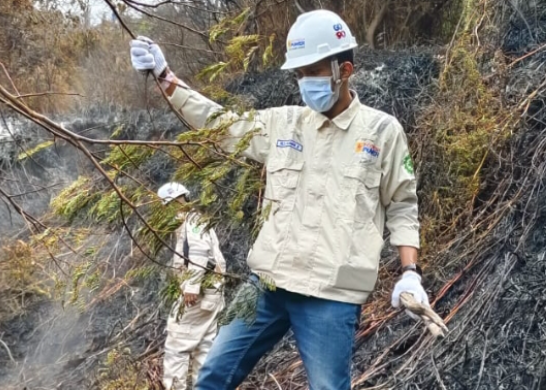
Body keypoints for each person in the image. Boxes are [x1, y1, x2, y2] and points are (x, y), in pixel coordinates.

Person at [131, 10, 429, 390]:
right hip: (268, 285)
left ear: (345, 69)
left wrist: (409, 273)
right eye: (300, 74)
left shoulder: (382, 132)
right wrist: (165, 77)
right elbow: (221, 124)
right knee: (212, 376)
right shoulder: (283, 124)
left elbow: (403, 204)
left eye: (315, 72)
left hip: (331, 297)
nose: (306, 83)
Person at [157, 182, 227, 390]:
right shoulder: (195, 220)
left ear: (175, 202)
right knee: (205, 347)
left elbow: (199, 252)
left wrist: (192, 287)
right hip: (211, 295)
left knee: (177, 346)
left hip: (199, 295)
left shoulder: (192, 221)